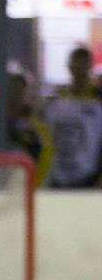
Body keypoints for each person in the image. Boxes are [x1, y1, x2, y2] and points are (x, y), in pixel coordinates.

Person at [42, 46, 102, 188]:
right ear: (70, 67)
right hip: (58, 177)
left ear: (89, 67)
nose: (79, 71)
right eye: (76, 66)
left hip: (89, 178)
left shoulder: (98, 100)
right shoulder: (56, 100)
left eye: (83, 66)